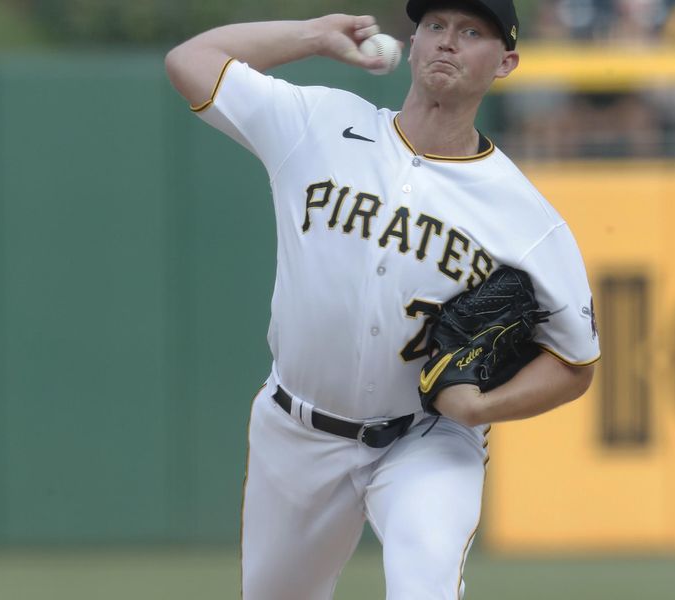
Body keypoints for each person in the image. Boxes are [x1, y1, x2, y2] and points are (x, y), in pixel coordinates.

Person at [165, 1, 600, 597]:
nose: (448, 42)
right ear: (413, 42)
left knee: (424, 584)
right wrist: (313, 36)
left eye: (472, 32)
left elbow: (575, 363)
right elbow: (191, 60)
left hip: (427, 438)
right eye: (436, 27)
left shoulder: (525, 215)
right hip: (296, 432)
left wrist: (476, 411)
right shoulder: (317, 123)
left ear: (506, 62)